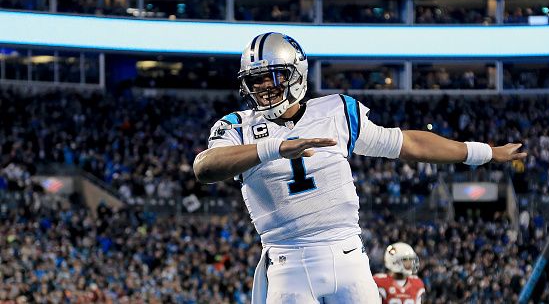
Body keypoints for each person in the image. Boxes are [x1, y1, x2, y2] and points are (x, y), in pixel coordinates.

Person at [193, 32, 527, 304]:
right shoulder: (236, 126)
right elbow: (205, 167)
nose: (264, 89)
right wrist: (275, 148)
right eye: (256, 81)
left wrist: (482, 152)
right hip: (286, 264)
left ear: (297, 74)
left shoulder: (335, 112)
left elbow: (407, 143)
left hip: (348, 255)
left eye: (273, 78)